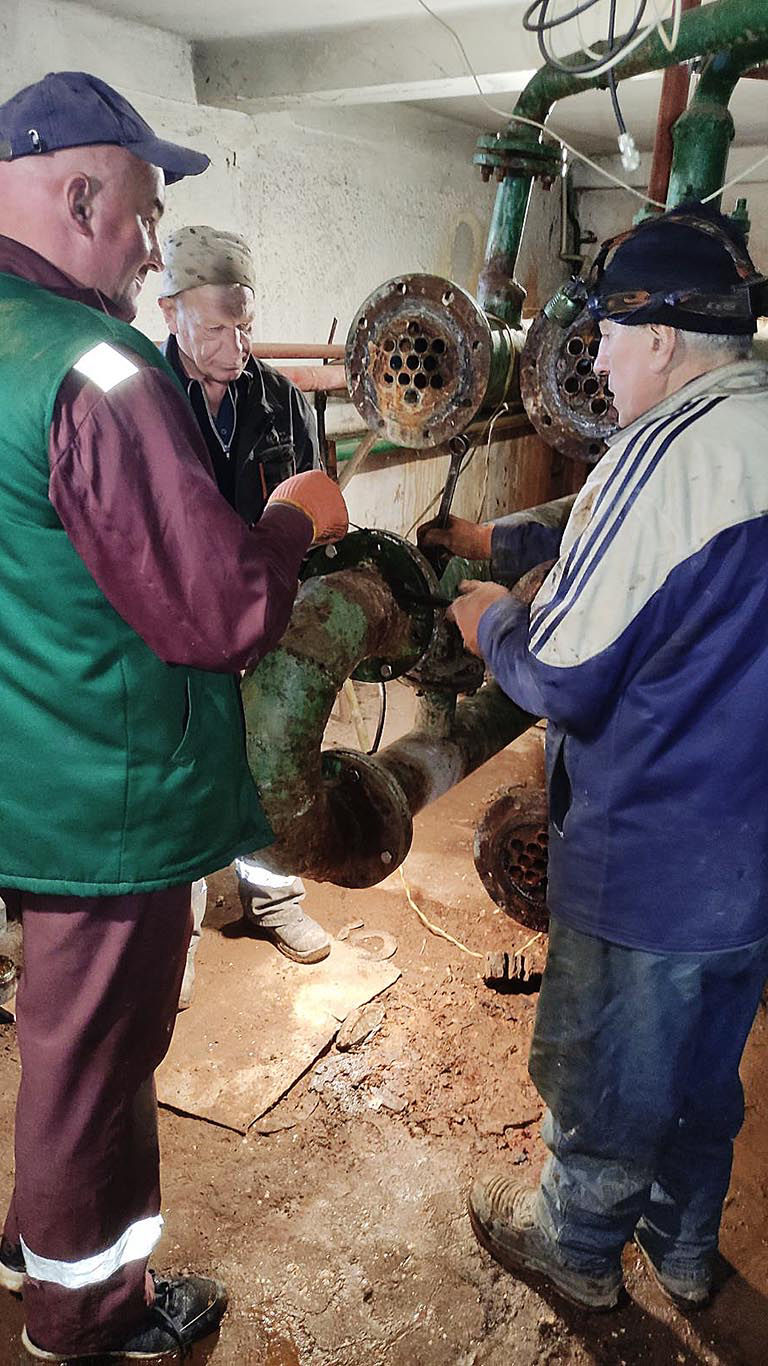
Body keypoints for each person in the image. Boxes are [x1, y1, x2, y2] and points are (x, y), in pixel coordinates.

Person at [0, 71, 347, 1361]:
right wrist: (296, 519)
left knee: (59, 1039)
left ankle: (37, 1236)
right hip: (111, 789)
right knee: (97, 1055)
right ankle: (88, 1312)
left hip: (27, 757)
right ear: (80, 195)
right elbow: (219, 612)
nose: (153, 249)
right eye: (146, 215)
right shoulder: (96, 368)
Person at [423, 203, 768, 1312]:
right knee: (705, 1070)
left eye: (609, 339)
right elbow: (665, 573)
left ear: (660, 335)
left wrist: (486, 618)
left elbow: (563, 674)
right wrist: (503, 540)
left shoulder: (660, 455)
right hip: (749, 858)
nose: (601, 364)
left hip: (653, 850)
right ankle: (683, 1248)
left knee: (611, 1068)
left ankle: (575, 1248)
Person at [157, 226, 331, 983]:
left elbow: (313, 503)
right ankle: (180, 932)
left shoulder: (281, 402)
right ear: (170, 313)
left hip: (267, 623)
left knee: (272, 756)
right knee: (182, 774)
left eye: (247, 327)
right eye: (216, 330)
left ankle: (272, 896)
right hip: (179, 629)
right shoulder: (147, 402)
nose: (237, 348)